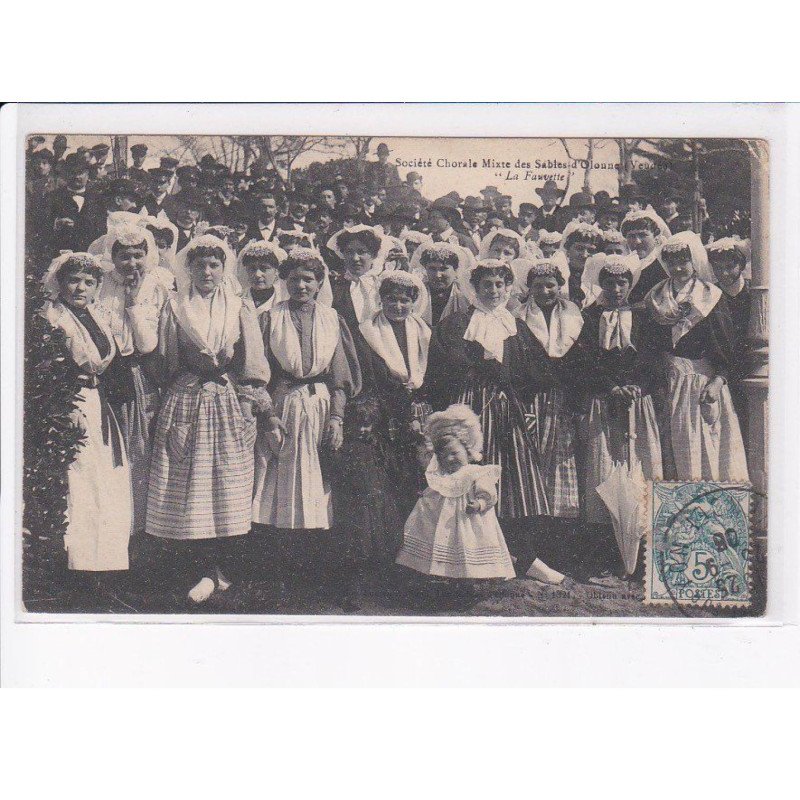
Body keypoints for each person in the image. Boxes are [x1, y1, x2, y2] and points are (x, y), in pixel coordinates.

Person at [146, 235, 276, 604]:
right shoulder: (175, 306)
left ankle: (222, 570)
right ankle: (200, 569)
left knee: (227, 485)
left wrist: (250, 399)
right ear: (188, 268)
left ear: (223, 269)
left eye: (214, 265)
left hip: (227, 399)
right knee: (191, 485)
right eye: (200, 265)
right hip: (187, 398)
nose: (206, 272)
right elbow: (166, 360)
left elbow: (252, 360)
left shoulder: (238, 306)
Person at [426, 258, 564, 584]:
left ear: (508, 288)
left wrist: (517, 390)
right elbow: (445, 367)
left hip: (506, 410)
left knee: (515, 483)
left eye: (499, 284)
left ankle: (524, 558)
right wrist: (478, 369)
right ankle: (469, 558)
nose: (493, 290)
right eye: (486, 284)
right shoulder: (457, 324)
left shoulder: (515, 326)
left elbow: (537, 370)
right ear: (474, 287)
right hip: (470, 411)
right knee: (467, 480)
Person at [251, 248, 361, 565]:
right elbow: (258, 373)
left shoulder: (332, 319)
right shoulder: (270, 318)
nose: (301, 286)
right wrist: (268, 415)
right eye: (295, 279)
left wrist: (337, 418)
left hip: (320, 405)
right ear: (284, 281)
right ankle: (279, 559)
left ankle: (314, 559)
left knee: (318, 478)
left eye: (308, 280)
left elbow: (340, 376)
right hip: (283, 405)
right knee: (279, 479)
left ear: (319, 283)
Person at [40, 253, 133, 576]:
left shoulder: (96, 315)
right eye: (74, 280)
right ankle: (78, 563)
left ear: (96, 287)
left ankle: (106, 561)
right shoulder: (52, 317)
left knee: (105, 478)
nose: (80, 288)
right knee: (80, 478)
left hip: (98, 404)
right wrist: (63, 407)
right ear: (60, 282)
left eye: (88, 282)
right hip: (69, 404)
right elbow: (48, 369)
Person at [575, 254, 663, 576]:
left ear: (630, 284)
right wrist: (611, 387)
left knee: (641, 468)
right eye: (609, 283)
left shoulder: (643, 317)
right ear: (601, 284)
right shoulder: (589, 317)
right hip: (604, 401)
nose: (616, 289)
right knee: (604, 471)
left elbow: (653, 358)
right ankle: (606, 553)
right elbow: (584, 361)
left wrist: (637, 385)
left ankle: (642, 554)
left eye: (622, 283)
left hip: (637, 403)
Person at [642, 231, 749, 482]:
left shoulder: (709, 295)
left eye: (683, 261)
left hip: (700, 382)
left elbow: (725, 345)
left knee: (702, 446)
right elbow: (648, 344)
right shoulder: (656, 297)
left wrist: (719, 380)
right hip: (665, 381)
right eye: (671, 262)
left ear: (694, 261)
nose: (678, 268)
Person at [91, 224, 174, 534]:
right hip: (108, 375)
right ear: (112, 257)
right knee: (110, 450)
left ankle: (140, 528)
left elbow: (148, 344)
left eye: (138, 256)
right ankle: (112, 526)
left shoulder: (157, 286)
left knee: (141, 450)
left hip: (141, 376)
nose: (132, 263)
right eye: (124, 257)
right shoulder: (100, 284)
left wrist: (134, 302)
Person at [514, 260, 584, 571]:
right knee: (533, 467)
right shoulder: (518, 317)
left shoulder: (573, 315)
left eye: (550, 285)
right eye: (538, 286)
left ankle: (561, 547)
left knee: (562, 467)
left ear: (560, 286)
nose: (545, 291)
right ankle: (534, 547)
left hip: (563, 399)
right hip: (532, 399)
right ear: (528, 288)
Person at [395, 403, 515, 580]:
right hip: (446, 526)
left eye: (454, 453)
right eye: (444, 456)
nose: (450, 459)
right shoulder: (442, 476)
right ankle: (441, 572)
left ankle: (472, 575)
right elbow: (435, 493)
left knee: (470, 547)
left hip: (470, 522)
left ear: (467, 450)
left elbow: (488, 494)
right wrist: (426, 498)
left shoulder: (475, 473)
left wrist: (480, 503)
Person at [357, 271, 432, 510]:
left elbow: (431, 371)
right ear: (381, 299)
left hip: (418, 408)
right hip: (385, 409)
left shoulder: (423, 331)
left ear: (413, 302)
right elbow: (371, 374)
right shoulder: (368, 331)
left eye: (404, 300)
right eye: (391, 299)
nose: (398, 306)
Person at [411, 240, 473, 326]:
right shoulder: (417, 294)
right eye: (432, 269)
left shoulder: (465, 297)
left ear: (455, 270)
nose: (438, 275)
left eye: (443, 269)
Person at [624, 209, 670, 304]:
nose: (637, 241)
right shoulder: (625, 263)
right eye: (631, 236)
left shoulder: (664, 264)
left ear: (656, 237)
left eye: (643, 235)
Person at [236, 239, 289, 319]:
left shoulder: (283, 300)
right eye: (252, 269)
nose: (257, 274)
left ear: (276, 271)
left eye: (264, 268)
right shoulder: (237, 299)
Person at [561, 221, 603, 306]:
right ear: (568, 251)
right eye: (579, 248)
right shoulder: (561, 274)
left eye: (591, 250)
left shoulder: (600, 277)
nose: (584, 255)